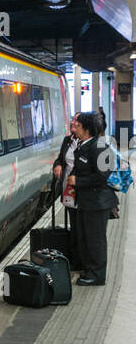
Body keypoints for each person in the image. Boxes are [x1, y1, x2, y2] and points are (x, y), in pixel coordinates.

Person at [64, 111, 116, 285]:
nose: (74, 127)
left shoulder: (100, 147)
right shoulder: (83, 145)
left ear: (86, 129)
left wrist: (78, 180)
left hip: (98, 202)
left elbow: (102, 176)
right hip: (87, 201)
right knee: (86, 238)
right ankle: (89, 270)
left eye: (77, 125)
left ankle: (97, 276)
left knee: (96, 240)